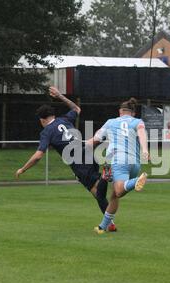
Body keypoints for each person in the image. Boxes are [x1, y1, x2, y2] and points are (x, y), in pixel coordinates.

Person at [15, 87, 115, 230]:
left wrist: (22, 169)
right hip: (86, 151)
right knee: (96, 191)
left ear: (42, 120)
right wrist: (60, 96)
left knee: (96, 191)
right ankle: (109, 223)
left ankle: (106, 179)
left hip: (77, 160)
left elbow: (38, 156)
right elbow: (77, 109)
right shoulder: (64, 119)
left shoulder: (46, 131)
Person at [89, 98, 149, 234]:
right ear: (133, 113)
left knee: (119, 191)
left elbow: (96, 139)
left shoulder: (111, 122)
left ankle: (136, 181)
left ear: (120, 111)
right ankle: (103, 227)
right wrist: (145, 149)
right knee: (114, 196)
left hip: (119, 160)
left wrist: (85, 143)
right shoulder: (138, 121)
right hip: (135, 163)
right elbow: (141, 133)